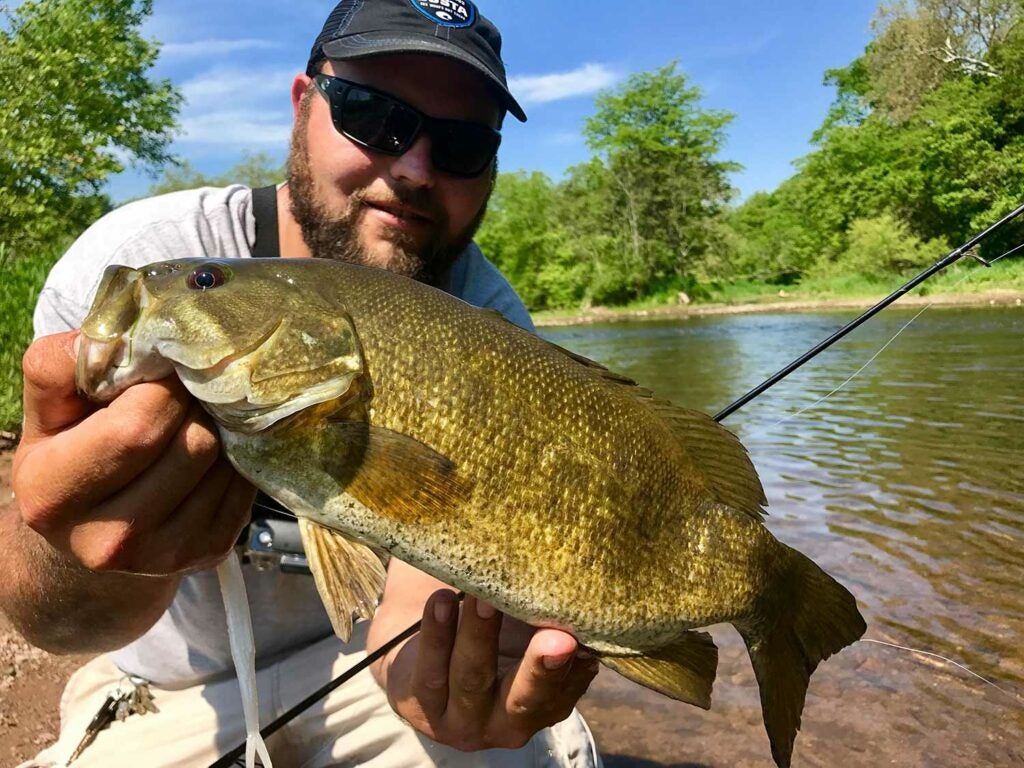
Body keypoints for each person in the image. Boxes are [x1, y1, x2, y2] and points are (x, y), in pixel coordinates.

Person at [1, 1, 602, 765]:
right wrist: (71, 552)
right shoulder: (148, 262)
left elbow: (417, 596)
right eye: (370, 114)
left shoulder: (487, 325)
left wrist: (432, 679)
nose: (413, 167)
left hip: (365, 675)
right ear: (301, 105)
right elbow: (52, 626)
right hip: (174, 695)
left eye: (461, 144)